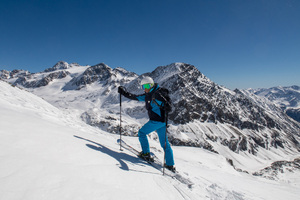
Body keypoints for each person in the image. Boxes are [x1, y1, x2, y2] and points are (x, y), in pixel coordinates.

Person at [118, 76, 175, 172]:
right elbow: (135, 97)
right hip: (162, 122)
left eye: (147, 86)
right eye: (143, 87)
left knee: (141, 133)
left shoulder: (157, 94)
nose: (145, 88)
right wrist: (124, 93)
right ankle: (170, 165)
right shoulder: (148, 95)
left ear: (152, 85)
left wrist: (167, 105)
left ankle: (146, 153)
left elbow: (168, 104)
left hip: (156, 121)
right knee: (164, 143)